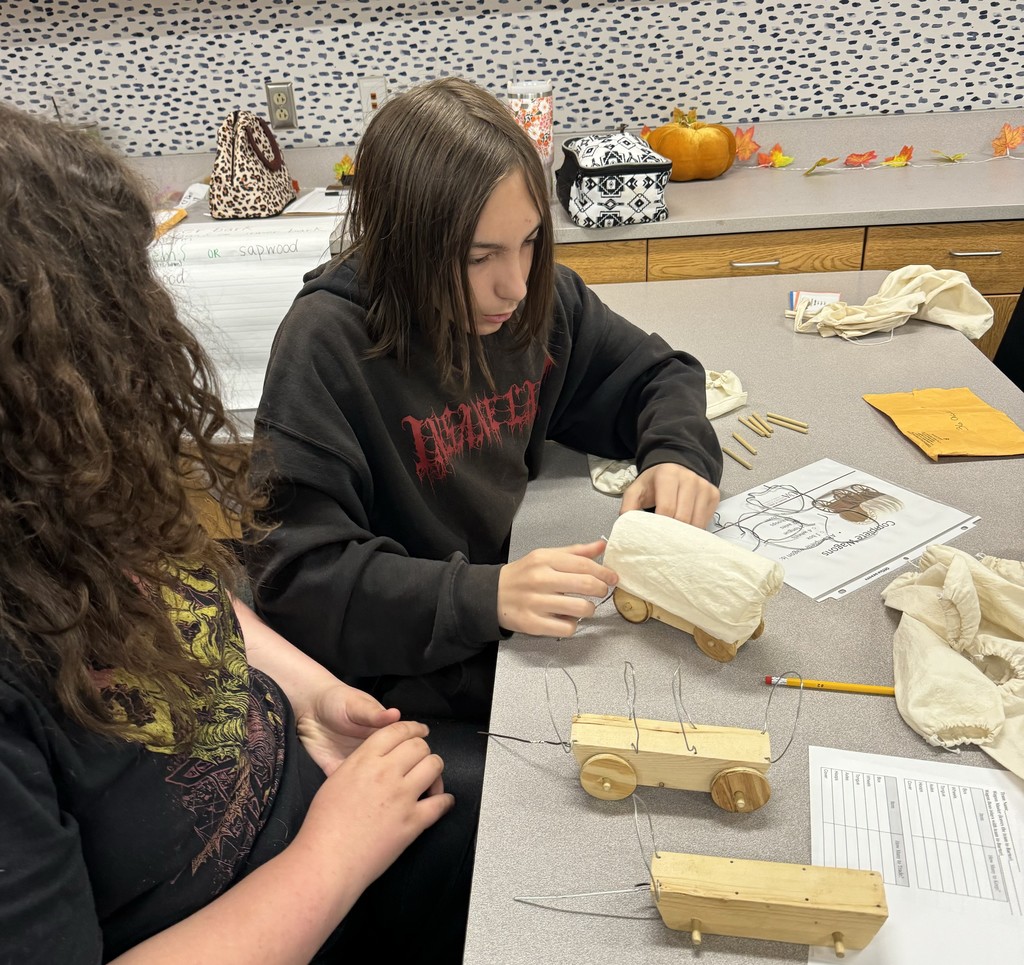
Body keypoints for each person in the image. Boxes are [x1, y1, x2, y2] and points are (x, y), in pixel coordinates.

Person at [0, 102, 473, 963]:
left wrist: (307, 696)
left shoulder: (50, 497)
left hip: (313, 802)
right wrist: (334, 854)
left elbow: (184, 594)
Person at [246, 76, 723, 725]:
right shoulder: (325, 346)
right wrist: (484, 595)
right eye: (478, 256)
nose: (516, 285)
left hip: (503, 631)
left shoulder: (539, 303)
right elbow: (301, 585)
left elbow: (658, 376)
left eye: (529, 241)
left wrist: (678, 453)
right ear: (402, 244)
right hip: (396, 681)